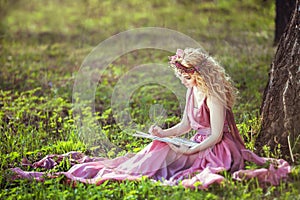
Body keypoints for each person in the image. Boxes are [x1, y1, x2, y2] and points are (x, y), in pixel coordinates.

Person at [11, 48, 290, 189]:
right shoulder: (193, 91)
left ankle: (139, 171)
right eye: (183, 76)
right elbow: (185, 125)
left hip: (217, 150)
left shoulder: (214, 96)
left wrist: (189, 148)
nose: (185, 80)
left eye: (188, 75)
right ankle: (134, 168)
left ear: (202, 74)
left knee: (170, 153)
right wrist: (163, 132)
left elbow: (216, 135)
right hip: (198, 142)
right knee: (158, 145)